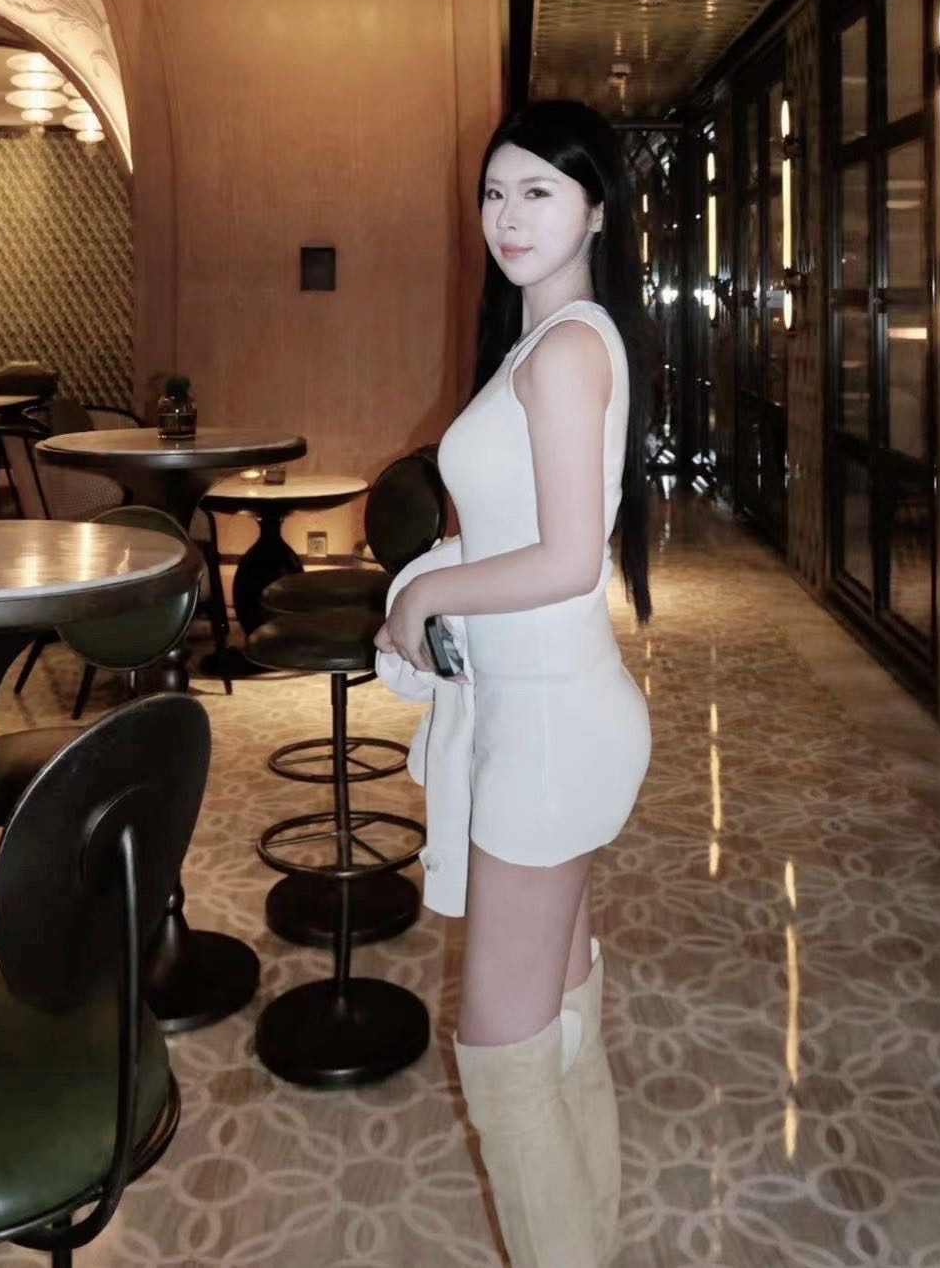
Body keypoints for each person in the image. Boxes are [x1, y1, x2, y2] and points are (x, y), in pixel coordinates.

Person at [374, 99, 654, 1268]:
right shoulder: (545, 345)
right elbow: (518, 527)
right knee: (558, 1018)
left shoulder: (572, 348)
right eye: (496, 190)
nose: (508, 214)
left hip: (548, 729)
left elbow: (570, 558)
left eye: (540, 189)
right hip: (545, 713)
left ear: (597, 209)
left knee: (502, 1058)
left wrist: (426, 597)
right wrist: (435, 577)